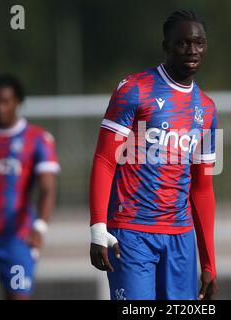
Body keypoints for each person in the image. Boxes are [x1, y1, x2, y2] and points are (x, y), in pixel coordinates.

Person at [89, 10, 218, 300]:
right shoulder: (134, 89)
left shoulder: (208, 109)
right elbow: (105, 160)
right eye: (183, 43)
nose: (193, 50)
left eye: (199, 43)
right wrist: (98, 226)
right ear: (166, 47)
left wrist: (209, 262)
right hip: (131, 232)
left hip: (180, 239)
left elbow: (203, 188)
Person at [0, 74, 60, 300]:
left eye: (5, 102)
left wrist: (40, 226)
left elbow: (47, 188)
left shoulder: (38, 139)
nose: (0, 108)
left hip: (16, 237)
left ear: (18, 101)